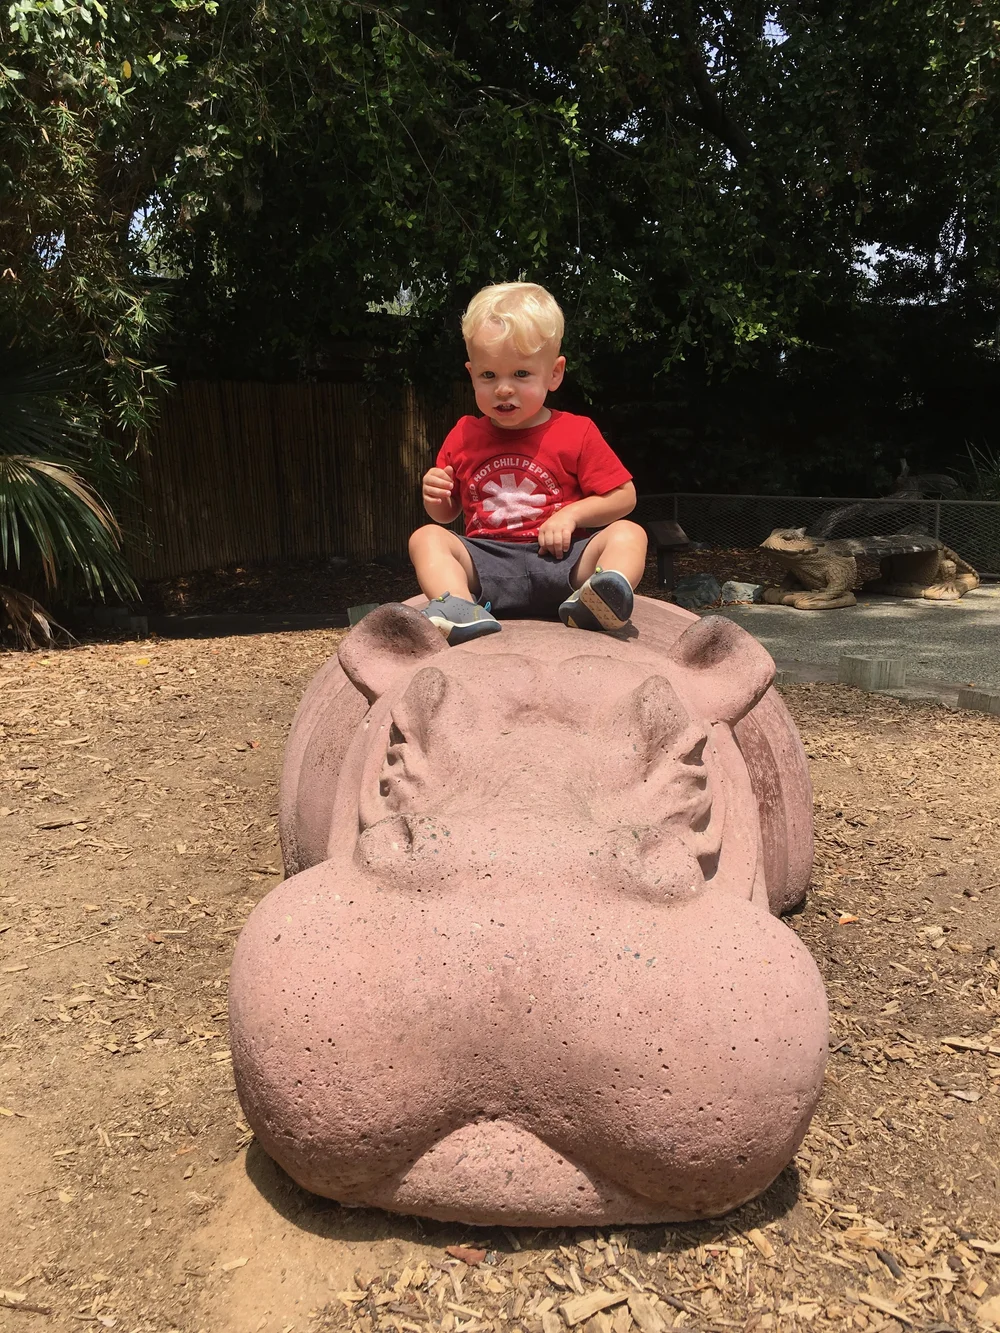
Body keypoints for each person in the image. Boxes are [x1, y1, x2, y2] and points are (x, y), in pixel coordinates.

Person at [409, 281, 648, 644]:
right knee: (425, 537)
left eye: (521, 374)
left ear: (554, 373)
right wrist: (435, 495)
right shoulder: (463, 434)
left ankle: (598, 597)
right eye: (489, 375)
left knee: (630, 533)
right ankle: (457, 605)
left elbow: (624, 496)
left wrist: (571, 515)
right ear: (472, 373)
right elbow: (445, 514)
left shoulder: (576, 431)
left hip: (562, 562)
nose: (504, 388)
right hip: (487, 561)